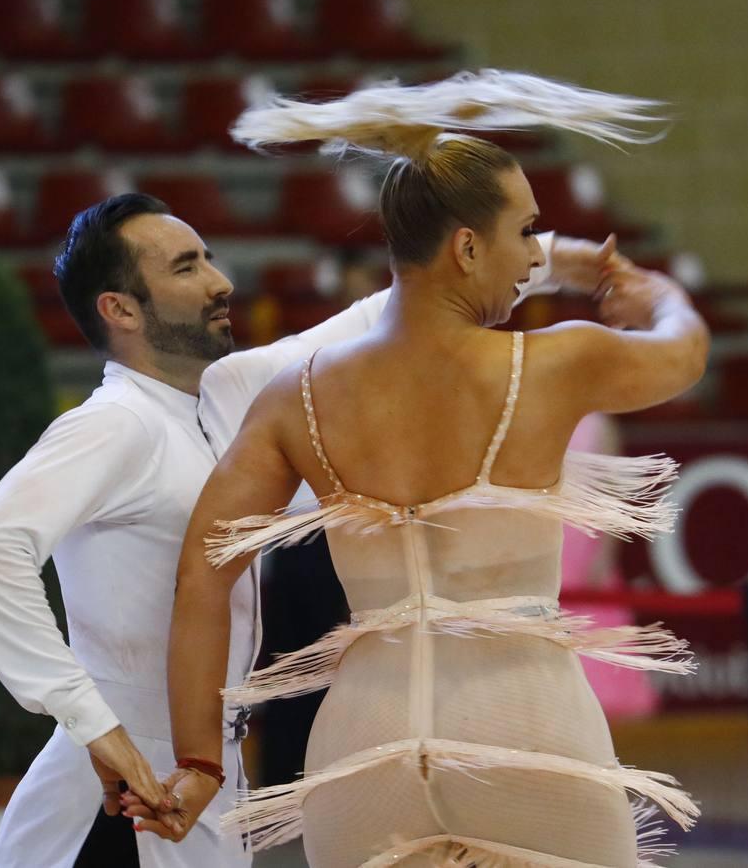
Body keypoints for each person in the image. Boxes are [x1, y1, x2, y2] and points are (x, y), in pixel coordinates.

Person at [0, 187, 613, 866]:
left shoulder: (229, 394)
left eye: (208, 258)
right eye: (185, 268)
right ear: (119, 309)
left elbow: (379, 318)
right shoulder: (113, 424)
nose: (220, 281)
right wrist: (90, 722)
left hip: (204, 775)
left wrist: (553, 258)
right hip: (120, 798)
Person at [141, 71, 709, 867]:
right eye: (524, 235)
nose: (530, 258)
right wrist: (653, 294)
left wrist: (200, 759)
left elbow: (204, 571)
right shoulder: (554, 364)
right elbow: (684, 353)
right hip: (524, 725)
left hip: (364, 745)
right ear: (468, 246)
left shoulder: (296, 394)